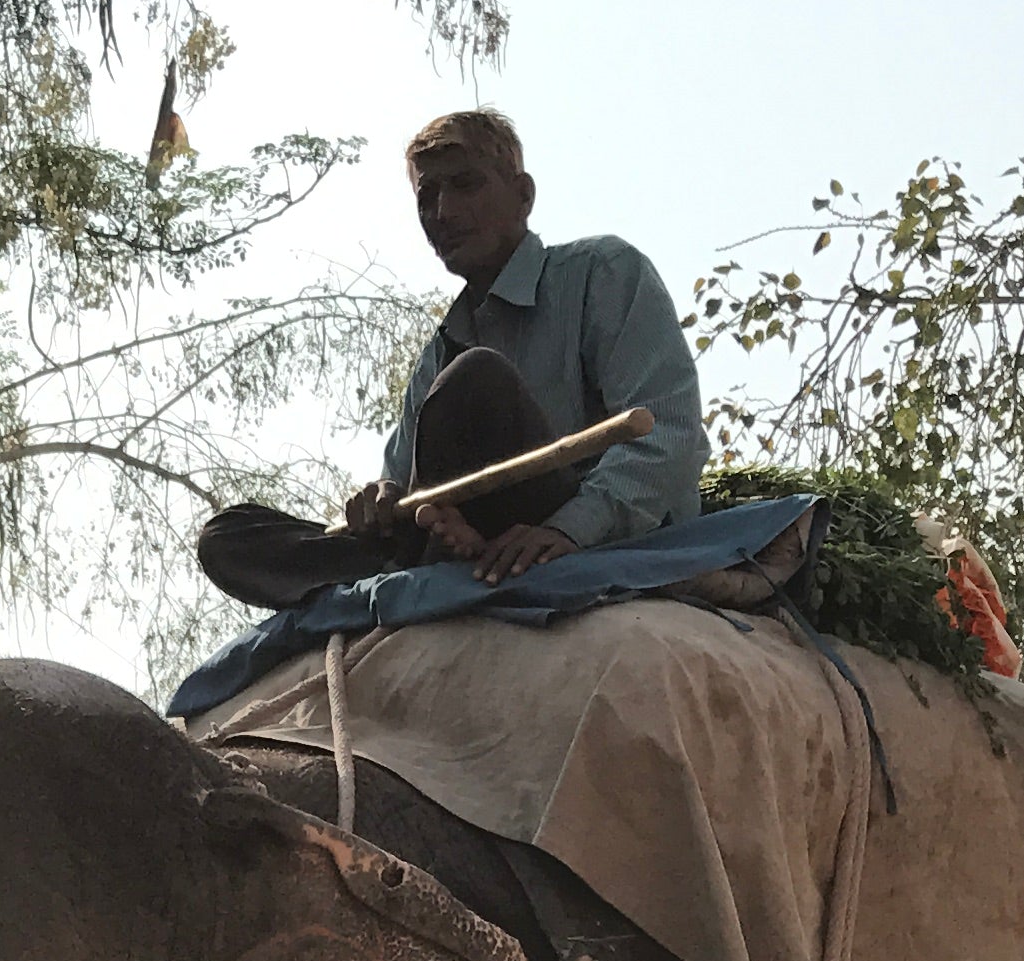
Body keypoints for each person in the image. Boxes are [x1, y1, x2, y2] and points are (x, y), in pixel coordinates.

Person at [197, 108, 708, 612]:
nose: (443, 212)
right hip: (443, 534)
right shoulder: (440, 348)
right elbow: (403, 485)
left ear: (523, 196)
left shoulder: (602, 272)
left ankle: (431, 560)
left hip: (575, 525)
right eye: (428, 196)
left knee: (475, 379)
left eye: (465, 185)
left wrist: (568, 528)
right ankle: (432, 554)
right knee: (229, 536)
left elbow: (667, 432)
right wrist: (381, 500)